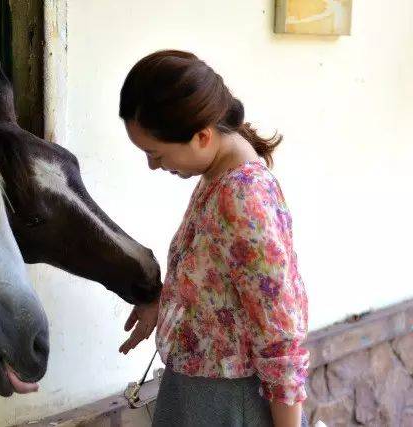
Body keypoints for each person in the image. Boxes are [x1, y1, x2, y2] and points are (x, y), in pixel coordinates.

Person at [117, 50, 309, 427]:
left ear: (203, 136)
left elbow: (280, 333)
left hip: (225, 404)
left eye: (155, 154)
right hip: (201, 394)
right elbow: (215, 276)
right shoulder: (218, 178)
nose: (153, 166)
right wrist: (165, 299)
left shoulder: (242, 198)